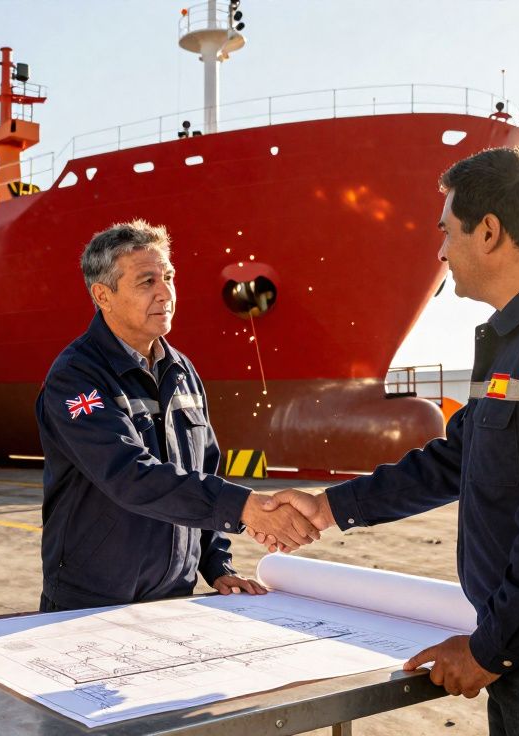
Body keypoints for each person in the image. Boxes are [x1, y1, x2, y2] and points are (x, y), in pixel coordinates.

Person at [256, 148, 519, 735]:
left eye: (446, 232)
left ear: (488, 232)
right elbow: (457, 459)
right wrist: (328, 508)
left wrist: (489, 651)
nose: (440, 252)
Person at [35, 219, 319, 613]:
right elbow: (128, 475)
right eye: (147, 281)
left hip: (174, 599)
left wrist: (216, 565)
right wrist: (243, 507)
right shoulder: (76, 376)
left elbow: (206, 469)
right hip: (90, 602)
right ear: (103, 295)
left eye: (168, 276)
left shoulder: (181, 370)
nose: (165, 292)